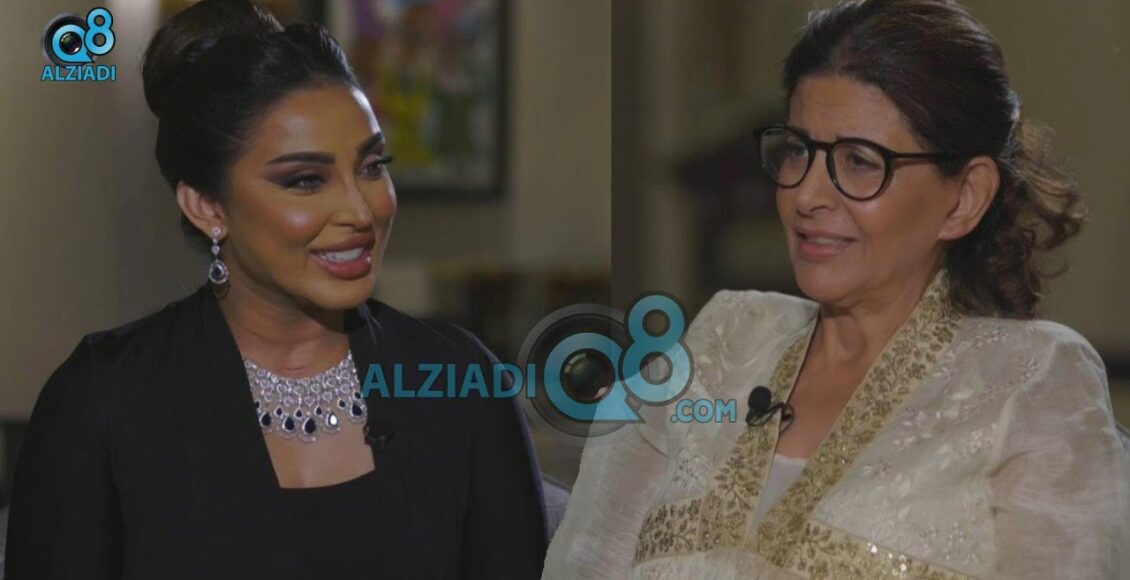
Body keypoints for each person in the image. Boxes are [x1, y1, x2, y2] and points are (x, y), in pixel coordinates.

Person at [543, 0, 1130, 578]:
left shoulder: (1031, 380)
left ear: (964, 197)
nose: (806, 195)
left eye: (860, 161)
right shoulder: (720, 342)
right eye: (798, 150)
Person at [4, 1, 547, 578]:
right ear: (207, 206)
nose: (360, 211)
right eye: (306, 180)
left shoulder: (461, 384)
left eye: (371, 166)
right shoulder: (101, 402)